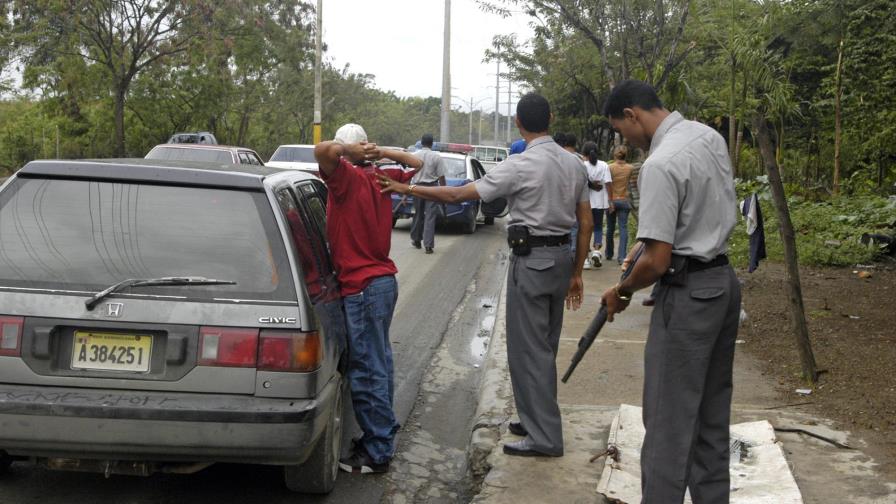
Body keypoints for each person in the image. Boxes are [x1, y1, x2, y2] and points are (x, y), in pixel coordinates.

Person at [379, 93, 592, 458]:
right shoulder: (574, 165)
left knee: (528, 351)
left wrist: (407, 188)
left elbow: (458, 194)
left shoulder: (520, 165)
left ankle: (545, 438)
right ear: (551, 118)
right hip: (560, 259)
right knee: (545, 346)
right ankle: (533, 418)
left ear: (519, 124)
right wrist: (577, 272)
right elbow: (586, 223)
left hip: (533, 261)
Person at [599, 80, 740, 504]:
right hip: (722, 285)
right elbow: (691, 217)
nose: (627, 139)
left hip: (689, 295)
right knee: (712, 419)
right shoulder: (707, 136)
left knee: (667, 426)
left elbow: (657, 261)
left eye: (623, 131)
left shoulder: (660, 164)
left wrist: (622, 289)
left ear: (632, 115)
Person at [313, 123, 424, 475]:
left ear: (348, 153)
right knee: (381, 362)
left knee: (366, 370)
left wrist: (348, 153)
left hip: (361, 287)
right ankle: (383, 432)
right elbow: (417, 162)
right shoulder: (381, 175)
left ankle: (377, 450)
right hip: (382, 283)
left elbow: (322, 152)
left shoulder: (345, 178)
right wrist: (383, 152)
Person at [409, 133, 446, 254]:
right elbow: (441, 176)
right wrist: (443, 191)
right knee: (430, 216)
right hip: (432, 189)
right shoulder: (436, 157)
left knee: (418, 214)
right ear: (432, 144)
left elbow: (409, 174)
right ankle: (428, 245)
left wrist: (406, 190)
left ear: (421, 142)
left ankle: (416, 239)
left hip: (416, 187)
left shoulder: (414, 156)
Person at [581, 141, 612, 268]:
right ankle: (597, 251)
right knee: (598, 227)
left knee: (584, 229)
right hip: (600, 202)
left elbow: (581, 183)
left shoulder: (582, 165)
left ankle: (586, 260)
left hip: (585, 202)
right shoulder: (604, 165)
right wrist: (610, 200)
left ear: (584, 153)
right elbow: (608, 183)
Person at [605, 145, 635, 264]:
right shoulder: (630, 168)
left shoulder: (609, 167)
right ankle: (622, 256)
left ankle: (609, 253)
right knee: (623, 228)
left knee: (610, 227)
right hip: (624, 200)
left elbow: (607, 184)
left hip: (612, 200)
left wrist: (610, 200)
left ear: (615, 154)